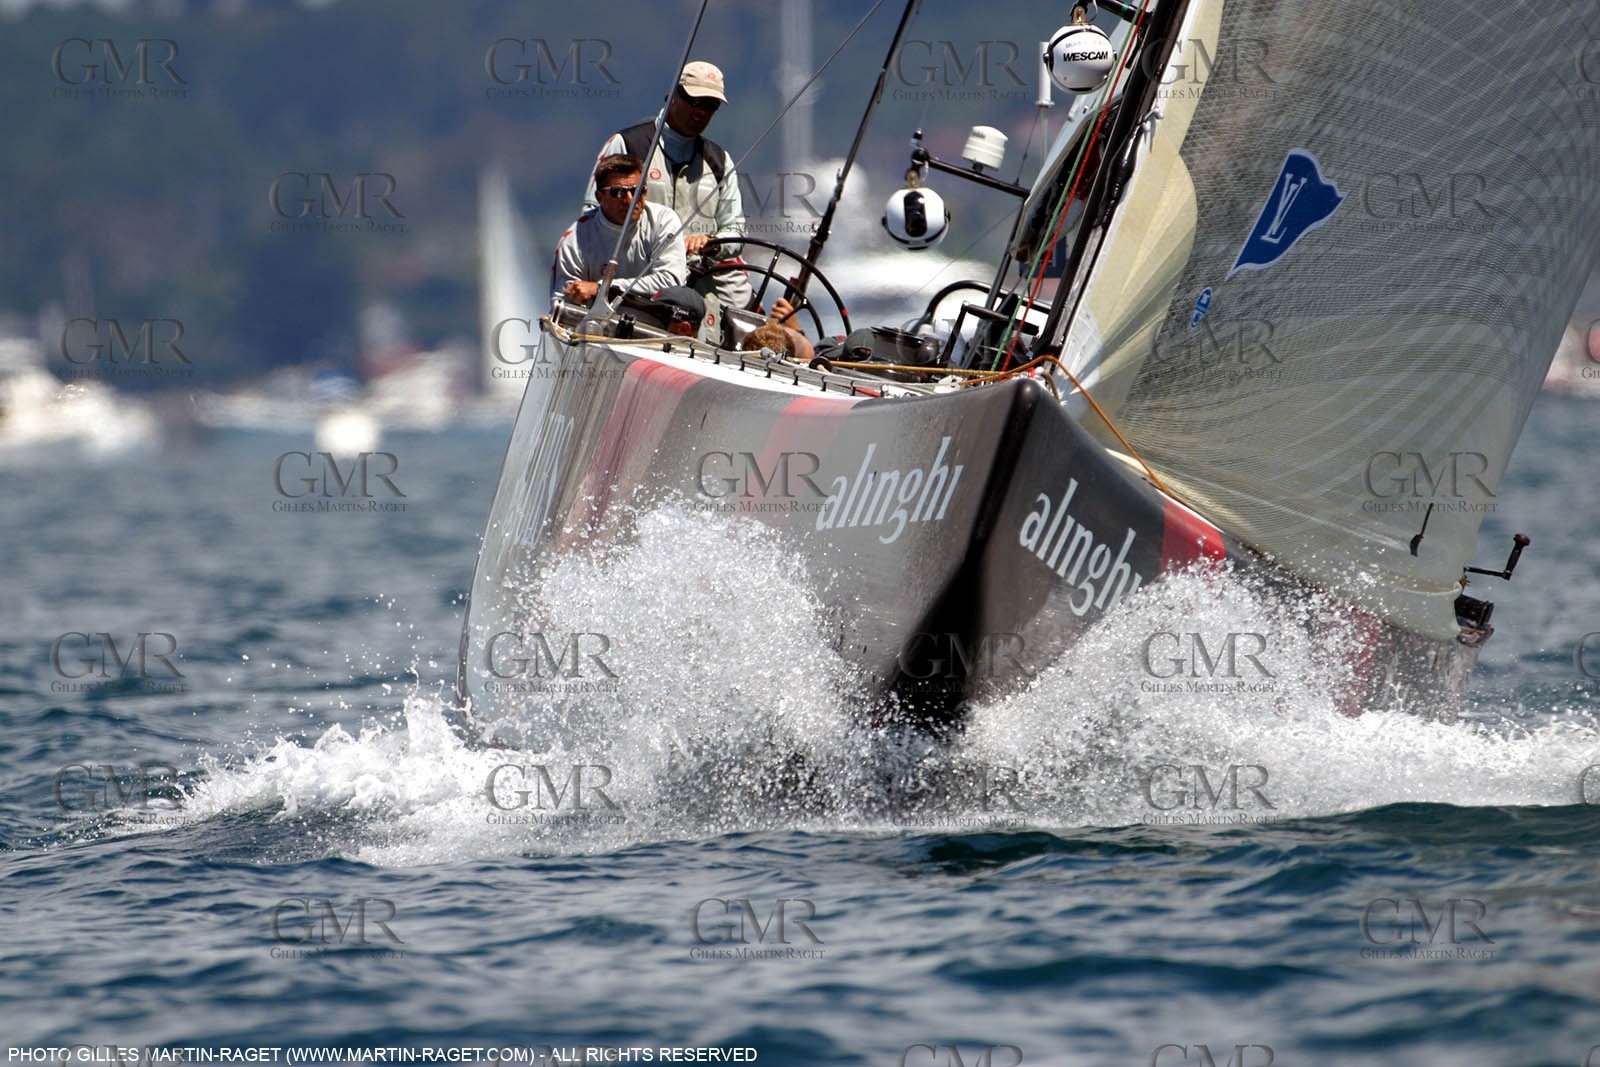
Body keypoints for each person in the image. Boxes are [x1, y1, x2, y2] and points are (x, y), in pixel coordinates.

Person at [583, 61, 750, 335]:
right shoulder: (627, 145)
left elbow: (736, 231)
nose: (701, 112)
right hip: (634, 291)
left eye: (711, 105)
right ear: (673, 95)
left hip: (698, 299)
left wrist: (711, 244)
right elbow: (591, 214)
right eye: (695, 101)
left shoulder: (719, 161)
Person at [553, 155, 686, 307]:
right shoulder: (575, 239)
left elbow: (671, 281)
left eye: (637, 191)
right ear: (599, 197)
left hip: (655, 315)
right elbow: (561, 304)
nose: (630, 200)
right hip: (597, 319)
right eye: (618, 192)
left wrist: (602, 289)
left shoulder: (663, 220)